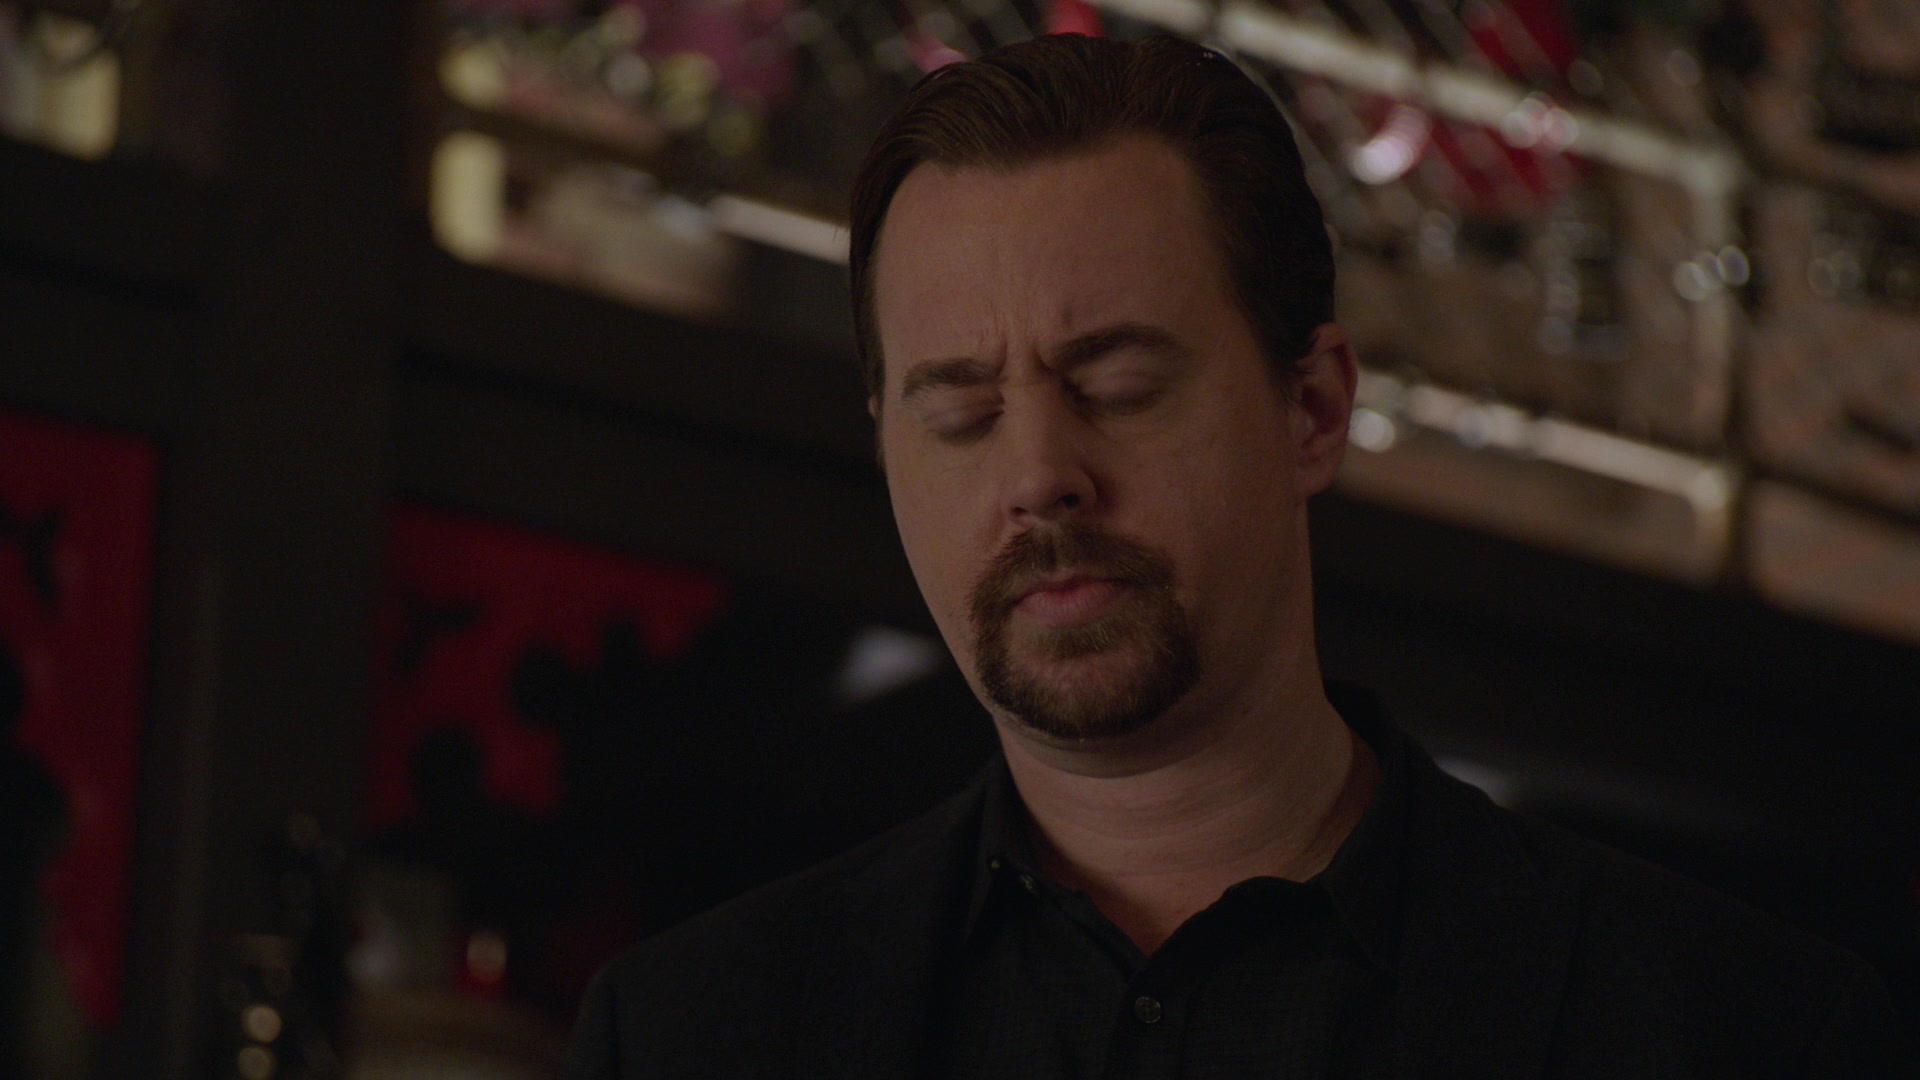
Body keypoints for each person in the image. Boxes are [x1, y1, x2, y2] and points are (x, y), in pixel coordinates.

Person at [565, 33, 1911, 1077]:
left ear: (1312, 408)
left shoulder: (1738, 1033)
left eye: (1121, 384)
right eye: (962, 412)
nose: (1037, 475)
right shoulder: (698, 1038)